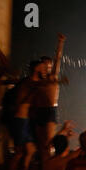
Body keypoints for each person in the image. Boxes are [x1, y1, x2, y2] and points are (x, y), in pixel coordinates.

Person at [31, 33, 66, 162]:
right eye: (43, 65)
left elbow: (58, 58)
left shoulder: (53, 77)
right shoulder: (36, 81)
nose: (46, 67)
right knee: (40, 146)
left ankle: (48, 166)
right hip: (38, 112)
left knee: (48, 143)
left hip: (50, 111)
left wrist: (60, 43)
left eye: (48, 65)